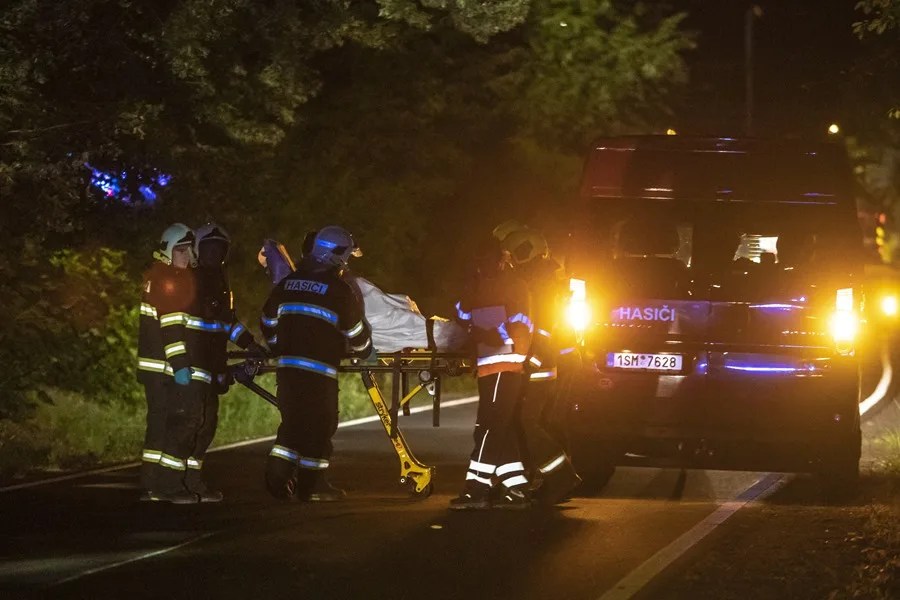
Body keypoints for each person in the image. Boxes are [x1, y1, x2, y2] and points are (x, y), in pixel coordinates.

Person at [260, 226, 373, 501]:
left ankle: (281, 476)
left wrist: (279, 347)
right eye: (346, 256)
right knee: (321, 425)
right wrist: (366, 351)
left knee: (293, 423)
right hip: (319, 372)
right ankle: (311, 485)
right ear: (336, 256)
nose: (347, 263)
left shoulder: (288, 283)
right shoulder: (338, 289)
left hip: (287, 371)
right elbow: (355, 332)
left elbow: (267, 321)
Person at [497, 225, 582, 505]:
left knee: (527, 421)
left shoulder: (540, 284)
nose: (508, 261)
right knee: (542, 421)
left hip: (542, 364)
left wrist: (529, 363)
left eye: (511, 254)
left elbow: (543, 330)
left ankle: (561, 477)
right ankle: (545, 478)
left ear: (526, 253)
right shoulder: (543, 278)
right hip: (548, 361)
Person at [450, 237, 534, 510]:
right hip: (489, 365)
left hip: (506, 363)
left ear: (501, 260)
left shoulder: (514, 286)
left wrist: (488, 334)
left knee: (488, 428)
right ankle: (516, 487)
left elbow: (520, 322)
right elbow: (461, 314)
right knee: (500, 428)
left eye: (487, 260)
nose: (484, 265)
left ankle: (477, 488)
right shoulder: (478, 287)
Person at [187, 222, 263, 502]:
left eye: (219, 249)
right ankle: (186, 482)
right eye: (209, 248)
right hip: (196, 364)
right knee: (197, 425)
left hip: (212, 362)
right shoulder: (191, 281)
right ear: (197, 249)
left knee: (206, 425)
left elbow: (227, 323)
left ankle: (189, 481)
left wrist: (251, 345)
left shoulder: (220, 281)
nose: (214, 254)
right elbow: (197, 327)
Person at [136, 223, 202, 503]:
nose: (186, 257)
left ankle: (152, 484)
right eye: (180, 250)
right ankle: (168, 484)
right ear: (167, 251)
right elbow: (172, 328)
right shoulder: (170, 281)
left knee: (159, 425)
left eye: (188, 251)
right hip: (167, 369)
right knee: (183, 421)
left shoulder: (158, 277)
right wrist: (181, 366)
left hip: (156, 369)